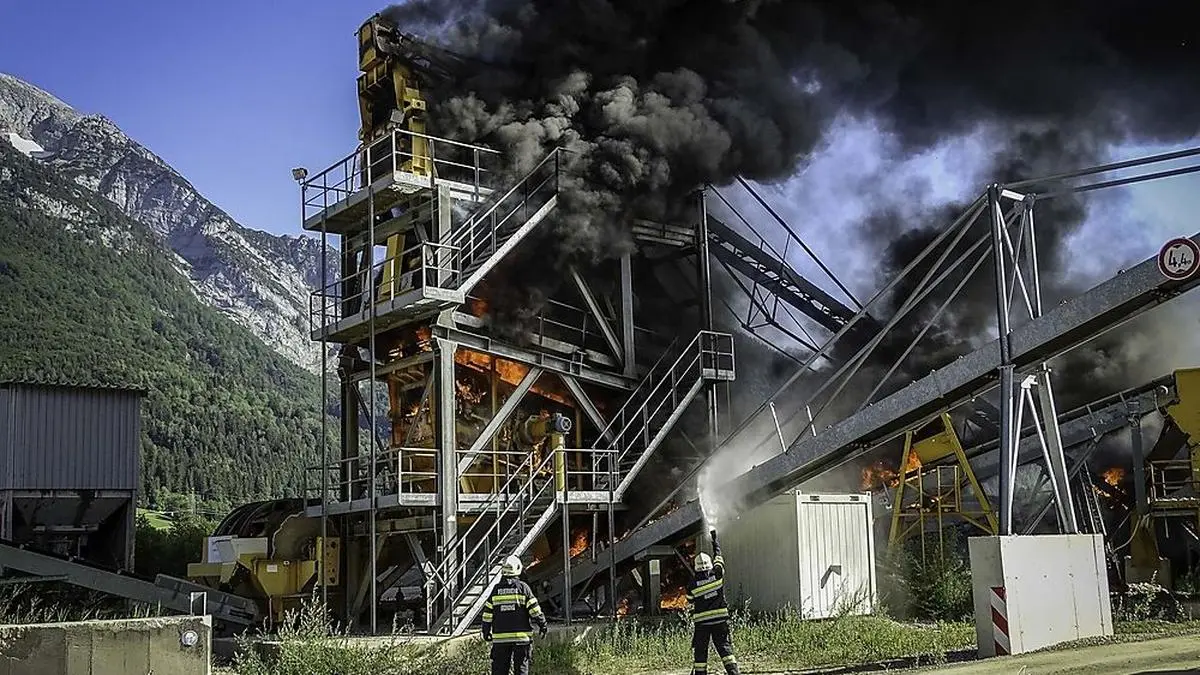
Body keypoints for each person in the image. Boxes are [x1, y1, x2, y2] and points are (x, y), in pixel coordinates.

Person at [481, 555, 548, 675]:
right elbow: (535, 611)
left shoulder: (496, 590)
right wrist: (543, 625)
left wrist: (486, 631)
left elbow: (487, 614)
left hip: (500, 639)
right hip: (521, 639)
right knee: (521, 670)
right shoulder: (523, 588)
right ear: (518, 568)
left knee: (499, 671)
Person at [686, 529, 740, 675]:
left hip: (702, 624)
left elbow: (690, 600)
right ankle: (733, 672)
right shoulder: (717, 573)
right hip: (720, 621)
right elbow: (719, 557)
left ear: (696, 566)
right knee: (725, 648)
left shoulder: (692, 583)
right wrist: (714, 539)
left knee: (701, 652)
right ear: (709, 564)